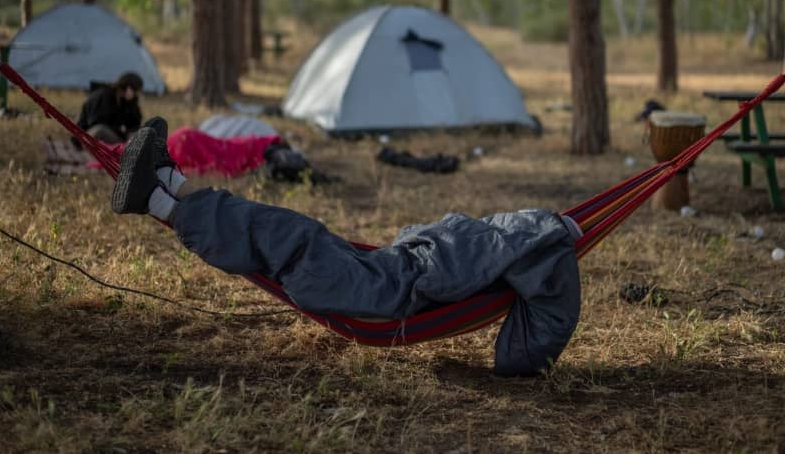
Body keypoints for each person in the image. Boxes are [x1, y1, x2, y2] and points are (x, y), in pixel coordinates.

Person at [110, 118, 583, 376]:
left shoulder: (539, 250)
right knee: (286, 229)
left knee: (283, 237)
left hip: (382, 291)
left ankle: (159, 199)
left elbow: (523, 353)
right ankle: (170, 184)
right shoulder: (521, 246)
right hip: (382, 269)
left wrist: (552, 238)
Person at [75, 72, 144, 145]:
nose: (137, 94)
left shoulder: (127, 101)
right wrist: (121, 129)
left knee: (137, 136)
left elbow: (135, 124)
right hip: (88, 135)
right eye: (136, 91)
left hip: (118, 138)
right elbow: (95, 122)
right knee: (100, 130)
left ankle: (126, 151)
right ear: (129, 88)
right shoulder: (104, 95)